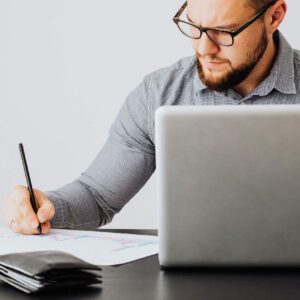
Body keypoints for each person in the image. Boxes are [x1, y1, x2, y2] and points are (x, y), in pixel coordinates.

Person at [3, 0, 299, 235]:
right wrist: (45, 206)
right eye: (194, 26)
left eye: (224, 31)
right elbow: (97, 198)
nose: (204, 48)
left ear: (274, 16)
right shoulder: (158, 95)